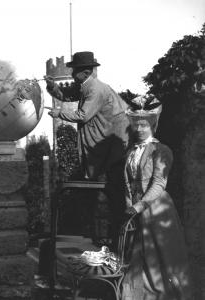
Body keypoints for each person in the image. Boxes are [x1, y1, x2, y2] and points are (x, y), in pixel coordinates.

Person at [45, 51, 130, 247]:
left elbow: (83, 115)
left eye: (75, 71)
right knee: (101, 191)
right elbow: (66, 95)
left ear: (85, 72)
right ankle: (102, 237)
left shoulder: (95, 89)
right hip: (104, 144)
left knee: (112, 192)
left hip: (113, 145)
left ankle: (116, 240)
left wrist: (59, 113)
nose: (73, 74)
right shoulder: (85, 86)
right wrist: (52, 86)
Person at [121, 95, 191, 300]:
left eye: (144, 125)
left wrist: (140, 205)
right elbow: (127, 182)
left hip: (157, 209)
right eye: (137, 125)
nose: (140, 129)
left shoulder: (161, 151)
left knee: (162, 258)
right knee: (139, 257)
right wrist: (129, 205)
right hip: (136, 209)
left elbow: (159, 183)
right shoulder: (131, 152)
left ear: (153, 125)